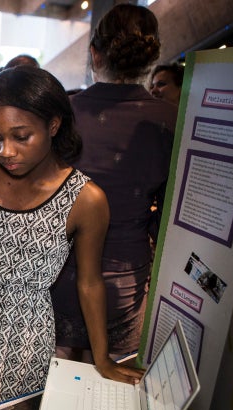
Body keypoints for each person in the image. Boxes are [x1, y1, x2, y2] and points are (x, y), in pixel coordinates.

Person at [0, 66, 144, 410]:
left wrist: (102, 358)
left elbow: (89, 283)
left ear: (54, 125)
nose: (5, 150)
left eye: (21, 136)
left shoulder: (86, 200)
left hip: (26, 336)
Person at [51, 4, 177, 361]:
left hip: (59, 272)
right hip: (125, 278)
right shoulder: (171, 121)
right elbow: (169, 215)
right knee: (114, 392)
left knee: (53, 388)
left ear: (95, 53)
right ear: (150, 59)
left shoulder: (64, 113)